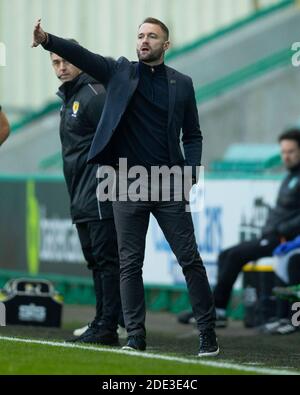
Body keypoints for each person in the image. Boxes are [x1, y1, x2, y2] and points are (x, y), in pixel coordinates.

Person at [32, 17, 219, 357]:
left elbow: (192, 134)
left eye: (152, 36)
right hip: (126, 183)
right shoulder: (120, 72)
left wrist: (190, 175)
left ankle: (207, 334)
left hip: (168, 184)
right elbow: (82, 54)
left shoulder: (183, 83)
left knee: (190, 260)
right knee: (130, 264)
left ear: (166, 44)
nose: (144, 40)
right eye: (140, 35)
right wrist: (48, 40)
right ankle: (135, 337)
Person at [179, 129, 300, 328]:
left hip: (282, 239)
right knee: (226, 254)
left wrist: (283, 230)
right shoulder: (290, 177)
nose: (286, 156)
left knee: (234, 256)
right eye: (284, 152)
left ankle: (217, 310)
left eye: (291, 151)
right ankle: (216, 308)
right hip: (271, 235)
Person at [49, 41, 123, 345]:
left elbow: (118, 137)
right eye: (55, 62)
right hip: (80, 191)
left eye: (66, 60)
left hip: (99, 191)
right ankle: (104, 319)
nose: (62, 67)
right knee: (95, 259)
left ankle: (109, 324)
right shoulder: (69, 97)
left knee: (107, 260)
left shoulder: (94, 95)